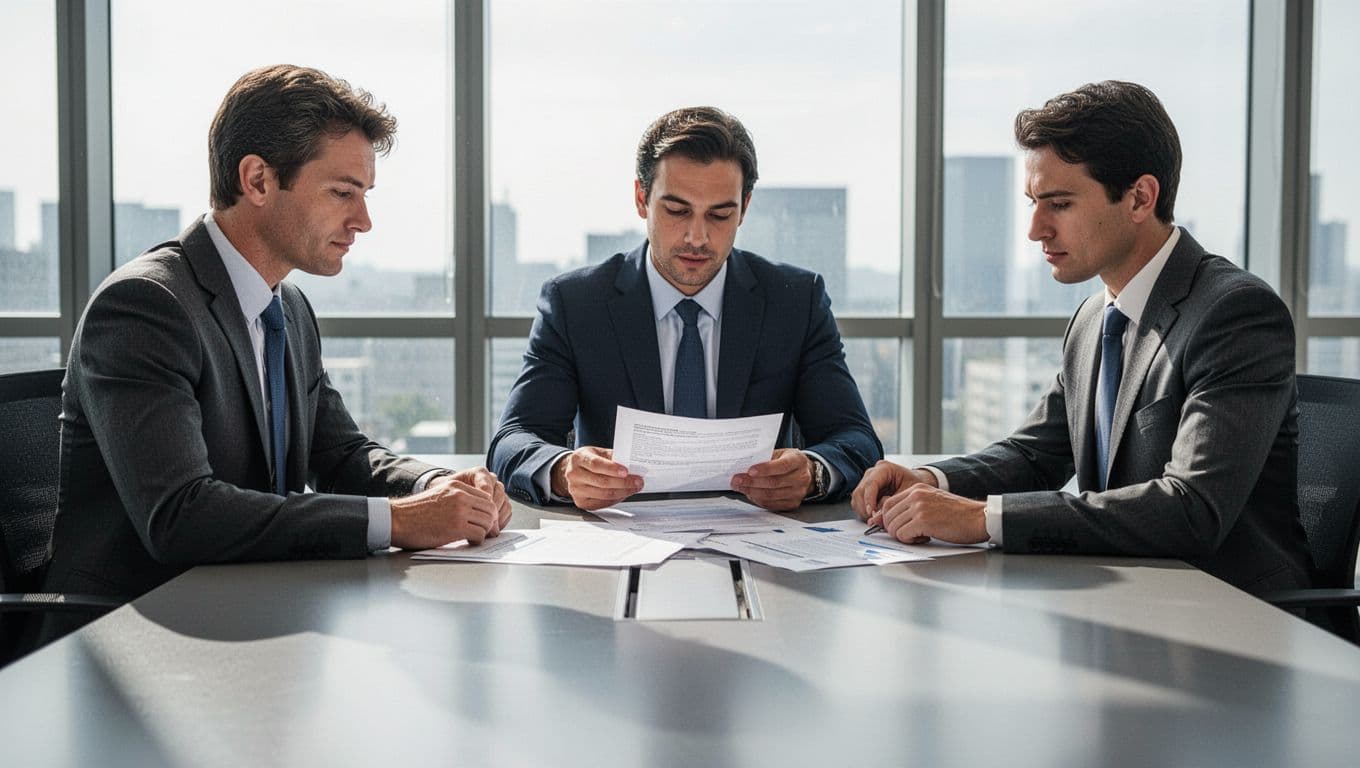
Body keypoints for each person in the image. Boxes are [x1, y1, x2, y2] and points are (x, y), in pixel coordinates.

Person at [42, 65, 511, 634]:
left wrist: (432, 486)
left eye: (364, 195)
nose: (363, 220)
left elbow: (339, 453)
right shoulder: (146, 306)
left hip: (251, 610)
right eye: (343, 193)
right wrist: (400, 521)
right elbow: (182, 517)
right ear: (258, 180)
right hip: (133, 638)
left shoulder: (286, 307)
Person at [851, 81, 1312, 595]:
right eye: (1033, 203)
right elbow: (1034, 456)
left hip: (1236, 615)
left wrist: (984, 519)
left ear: (1140, 197)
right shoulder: (1094, 318)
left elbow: (1192, 508)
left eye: (1060, 204)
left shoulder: (1235, 314)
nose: (1035, 230)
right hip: (1126, 598)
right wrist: (933, 482)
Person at [488, 106, 882, 512]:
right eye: (676, 211)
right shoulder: (576, 303)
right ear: (642, 198)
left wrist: (813, 473)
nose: (697, 237)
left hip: (762, 547)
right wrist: (564, 470)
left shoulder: (795, 301)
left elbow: (856, 439)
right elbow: (513, 440)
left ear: (745, 208)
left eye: (720, 214)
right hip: (619, 543)